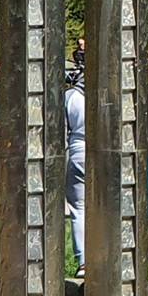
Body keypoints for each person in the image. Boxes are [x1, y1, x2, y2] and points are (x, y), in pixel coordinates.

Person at [64, 70, 89, 268]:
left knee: (79, 208)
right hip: (105, 152)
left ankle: (83, 260)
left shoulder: (70, 97)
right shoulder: (107, 95)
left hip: (78, 150)